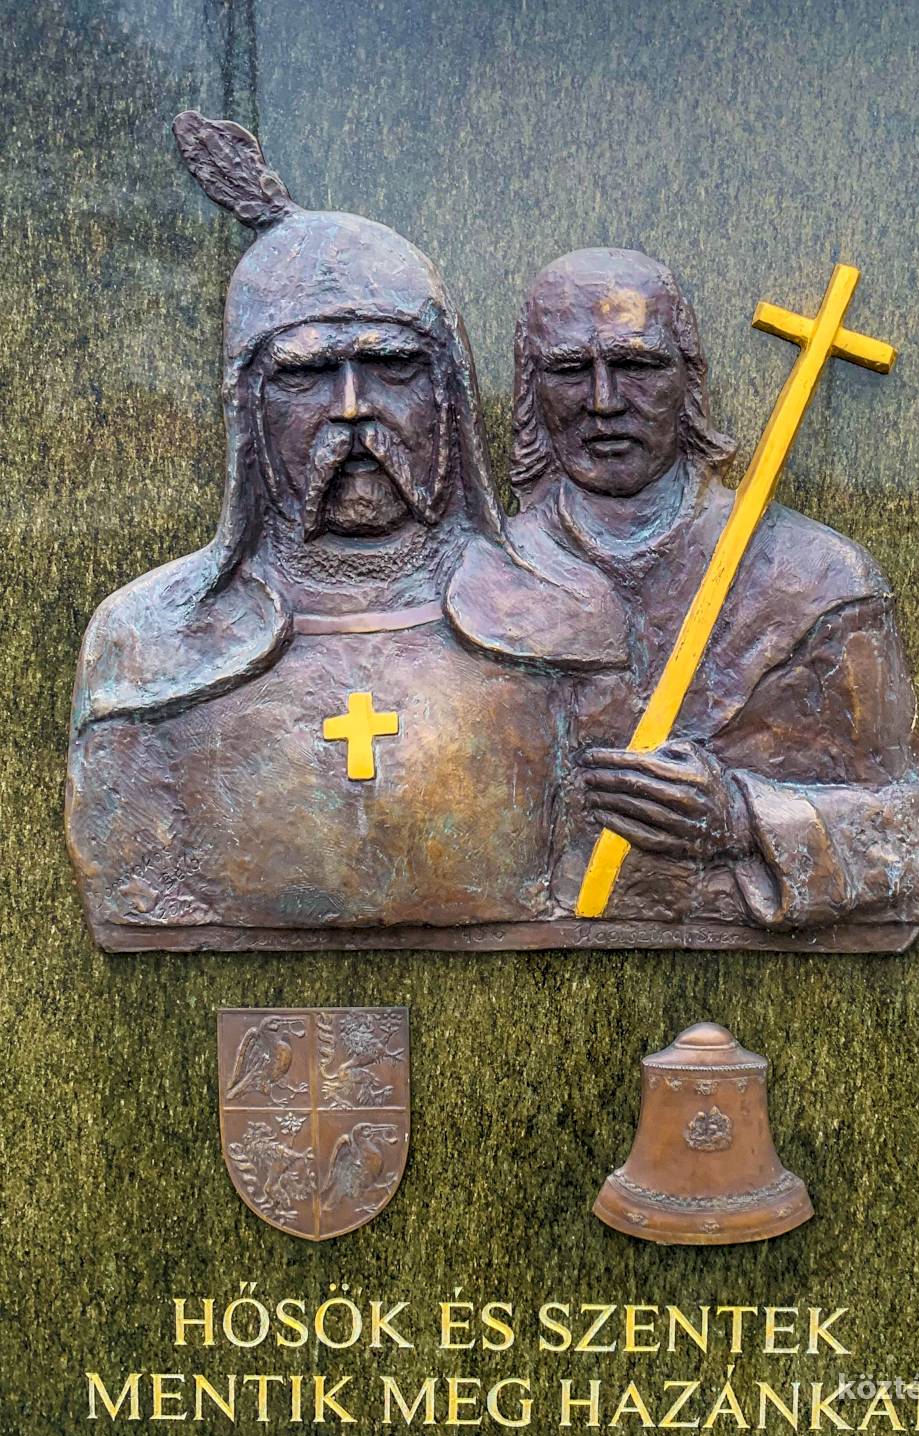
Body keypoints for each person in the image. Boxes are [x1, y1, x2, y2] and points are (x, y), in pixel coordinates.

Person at [66, 114, 559, 949]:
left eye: (393, 366)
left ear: (449, 399)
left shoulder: (561, 617)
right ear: (248, 415)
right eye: (305, 374)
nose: (353, 407)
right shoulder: (145, 643)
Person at [449, 247, 919, 950]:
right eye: (568, 370)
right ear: (530, 392)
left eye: (637, 365)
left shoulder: (819, 580)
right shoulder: (472, 578)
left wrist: (742, 819)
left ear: (689, 380)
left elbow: (915, 849)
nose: (604, 401)